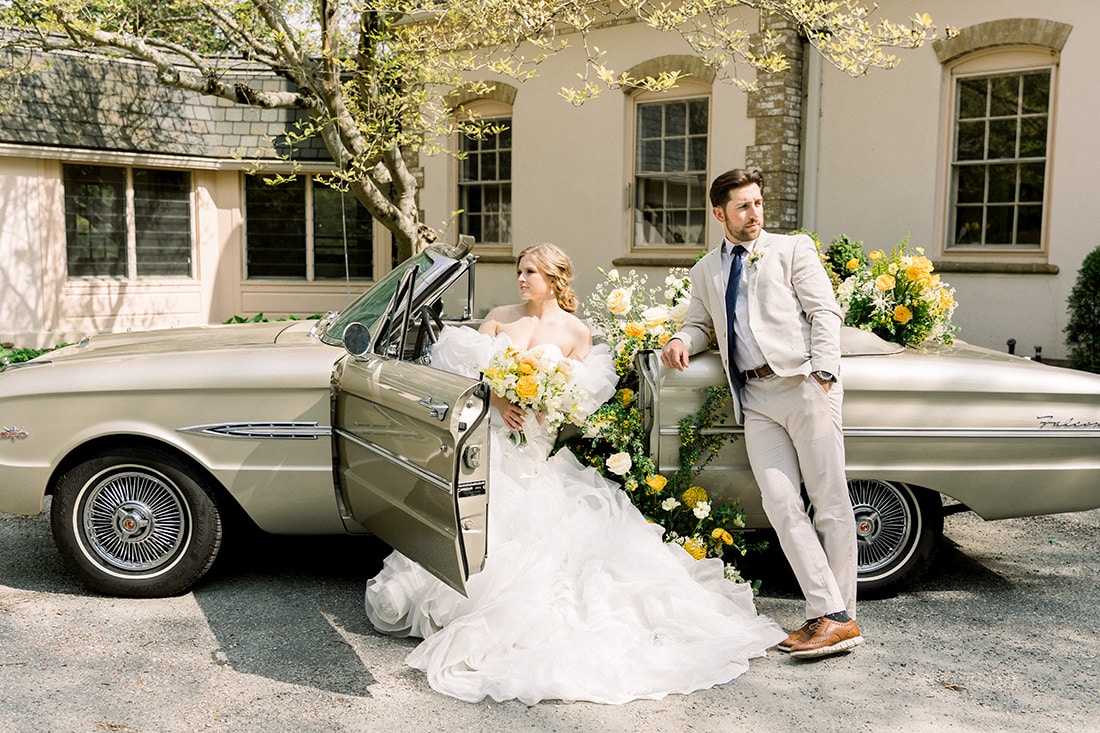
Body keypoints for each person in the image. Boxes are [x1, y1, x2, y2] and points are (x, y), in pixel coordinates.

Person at [365, 242, 786, 704]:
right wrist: (500, 400)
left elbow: (577, 403)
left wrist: (547, 404)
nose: (521, 278)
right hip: (492, 446)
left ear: (553, 278)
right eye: (519, 270)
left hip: (535, 451)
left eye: (530, 271)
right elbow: (469, 380)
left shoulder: (575, 332)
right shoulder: (500, 317)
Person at [660, 169, 863, 660]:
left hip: (804, 387)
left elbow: (824, 312)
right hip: (754, 399)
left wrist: (825, 375)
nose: (753, 214)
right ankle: (831, 614)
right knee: (780, 504)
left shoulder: (793, 248)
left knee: (830, 502)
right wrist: (681, 340)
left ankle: (837, 618)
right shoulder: (705, 269)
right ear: (719, 213)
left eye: (757, 204)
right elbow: (700, 323)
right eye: (742, 206)